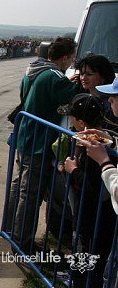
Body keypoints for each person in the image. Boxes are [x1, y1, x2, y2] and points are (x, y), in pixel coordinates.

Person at [8, 36, 79, 254]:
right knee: (31, 193)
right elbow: (74, 98)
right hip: (38, 141)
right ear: (65, 58)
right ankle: (23, 241)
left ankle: (11, 229)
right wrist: (73, 83)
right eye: (72, 58)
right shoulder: (55, 77)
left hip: (24, 136)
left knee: (19, 186)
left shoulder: (33, 70)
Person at [62, 94, 117, 287]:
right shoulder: (102, 142)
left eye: (73, 119)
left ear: (82, 122)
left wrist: (73, 170)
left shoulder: (97, 151)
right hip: (101, 218)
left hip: (92, 219)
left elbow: (92, 188)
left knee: (86, 256)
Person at [75, 54, 118, 131]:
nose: (83, 78)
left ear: (103, 76)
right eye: (81, 74)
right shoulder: (80, 96)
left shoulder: (111, 105)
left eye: (89, 74)